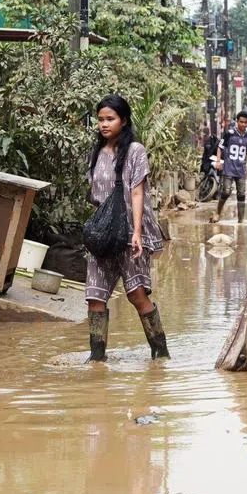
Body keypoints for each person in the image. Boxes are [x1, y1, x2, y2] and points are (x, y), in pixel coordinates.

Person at [85, 94, 169, 361]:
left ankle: (160, 352)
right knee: (94, 297)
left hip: (130, 235)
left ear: (124, 120)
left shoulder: (135, 151)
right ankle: (97, 357)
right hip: (103, 236)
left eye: (110, 119)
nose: (104, 124)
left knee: (136, 294)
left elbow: (137, 193)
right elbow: (96, 195)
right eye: (100, 119)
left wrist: (136, 233)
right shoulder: (97, 153)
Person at [210, 110, 247, 223]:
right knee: (226, 192)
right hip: (229, 168)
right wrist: (219, 162)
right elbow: (220, 147)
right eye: (241, 122)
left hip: (241, 170)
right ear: (237, 121)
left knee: (241, 194)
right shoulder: (229, 133)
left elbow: (246, 153)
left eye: (245, 122)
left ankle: (241, 220)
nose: (243, 124)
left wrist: (245, 166)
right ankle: (217, 213)